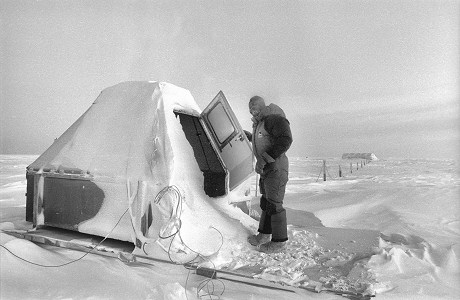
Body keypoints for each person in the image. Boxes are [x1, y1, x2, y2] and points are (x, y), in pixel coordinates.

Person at [245, 96, 292, 253]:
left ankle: (279, 242)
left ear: (263, 105)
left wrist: (264, 159)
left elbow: (285, 139)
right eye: (250, 106)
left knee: (275, 204)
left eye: (255, 104)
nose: (252, 108)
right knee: (266, 202)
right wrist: (249, 137)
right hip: (266, 169)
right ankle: (264, 234)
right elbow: (265, 140)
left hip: (276, 168)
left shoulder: (274, 119)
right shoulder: (261, 123)